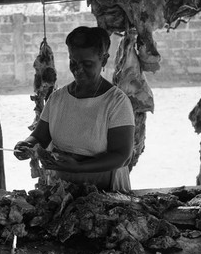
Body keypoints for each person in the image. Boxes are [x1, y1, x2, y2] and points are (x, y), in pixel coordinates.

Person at [14, 26, 135, 193]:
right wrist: (27, 145)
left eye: (87, 64)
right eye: (73, 62)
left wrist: (78, 167)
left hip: (105, 190)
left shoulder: (116, 102)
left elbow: (122, 156)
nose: (78, 70)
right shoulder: (57, 99)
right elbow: (39, 136)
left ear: (104, 60)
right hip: (62, 189)